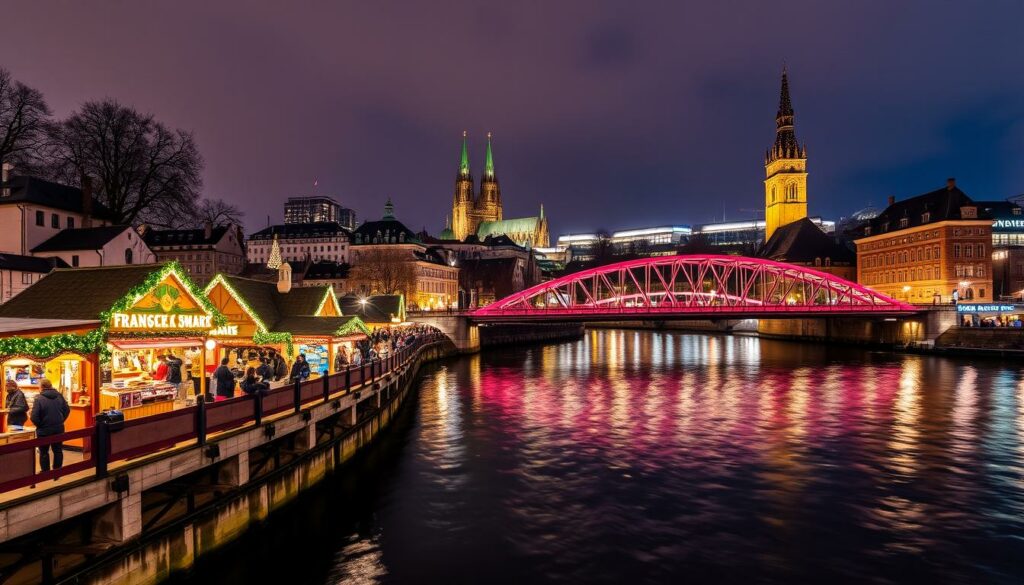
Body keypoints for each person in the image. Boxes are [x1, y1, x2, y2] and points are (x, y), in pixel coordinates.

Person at [30, 379, 70, 473]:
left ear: (42, 387)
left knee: (44, 452)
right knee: (58, 450)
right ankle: (57, 471)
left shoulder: (38, 399)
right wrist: (61, 420)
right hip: (58, 428)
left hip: (44, 430)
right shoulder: (59, 396)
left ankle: (45, 472)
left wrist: (40, 425)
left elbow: (34, 416)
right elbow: (67, 410)